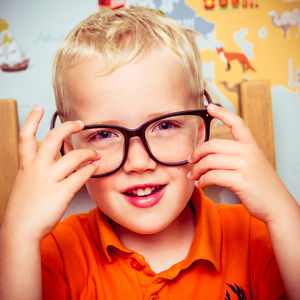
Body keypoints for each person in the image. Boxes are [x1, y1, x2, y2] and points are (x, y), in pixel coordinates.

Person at [0, 6, 299, 300]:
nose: (139, 162)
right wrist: (18, 236)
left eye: (165, 125)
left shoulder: (257, 237)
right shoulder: (50, 255)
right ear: (70, 149)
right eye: (104, 134)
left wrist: (282, 212)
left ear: (198, 134)